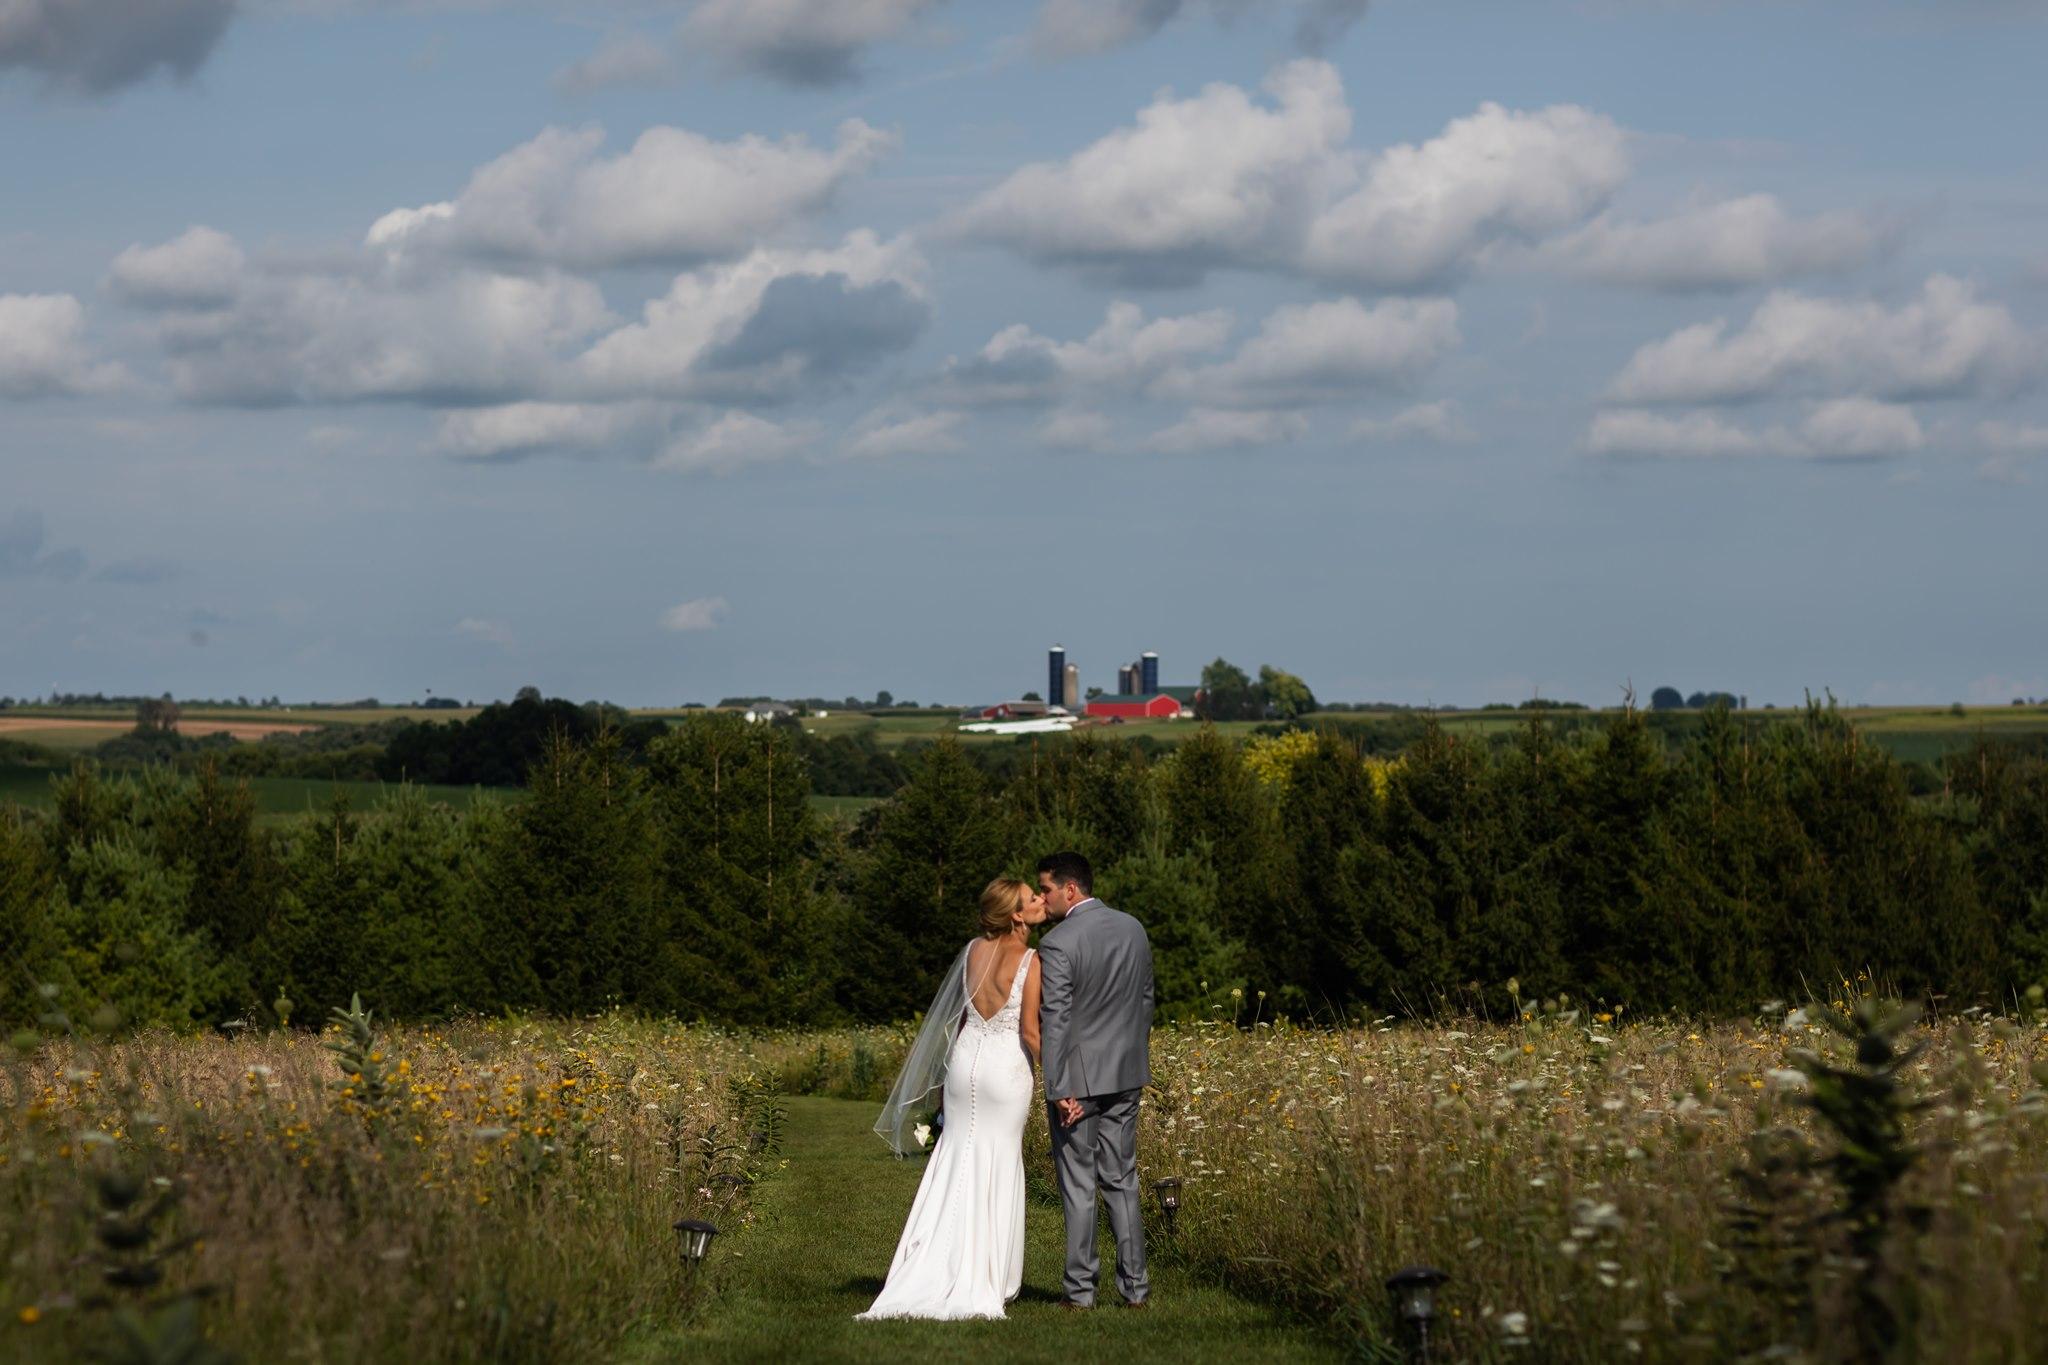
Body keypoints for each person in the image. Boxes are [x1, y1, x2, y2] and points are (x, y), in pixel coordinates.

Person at [857, 877, 1048, 1320]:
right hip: (1005, 1070)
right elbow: (1031, 1033)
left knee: (954, 1159)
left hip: (964, 1067)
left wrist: (946, 1085)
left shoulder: (971, 951)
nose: (1040, 901)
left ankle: (930, 1263)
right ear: (1017, 915)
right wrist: (1063, 1081)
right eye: (1031, 898)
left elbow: (961, 1020)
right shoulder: (1031, 961)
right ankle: (985, 1275)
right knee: (997, 1161)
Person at [1035, 849, 1154, 1310]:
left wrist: (1058, 1085)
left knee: (1079, 1185)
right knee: (1122, 1180)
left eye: (1045, 889)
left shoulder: (1059, 943)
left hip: (1078, 1085)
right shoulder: (1133, 928)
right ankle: (1136, 1290)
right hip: (1126, 1074)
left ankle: (1081, 1292)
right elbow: (1145, 1001)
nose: (1043, 900)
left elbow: (1056, 1019)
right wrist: (1132, 1059)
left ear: (1070, 888)